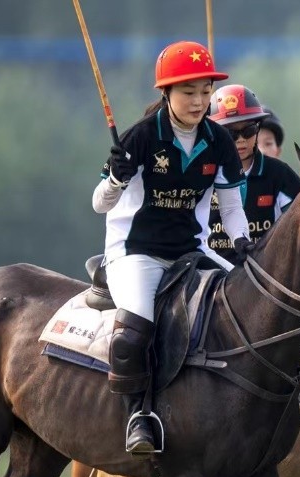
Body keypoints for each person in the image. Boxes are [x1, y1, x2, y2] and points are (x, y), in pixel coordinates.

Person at [92, 40, 248, 454]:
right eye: (188, 92)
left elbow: (231, 208)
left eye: (204, 91)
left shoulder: (218, 141)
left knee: (252, 302)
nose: (199, 102)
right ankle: (138, 415)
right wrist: (116, 180)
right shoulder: (142, 137)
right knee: (135, 331)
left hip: (189, 250)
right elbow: (98, 204)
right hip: (136, 251)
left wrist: (243, 242)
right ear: (167, 93)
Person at [204, 85, 300, 266]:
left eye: (248, 130)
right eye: (230, 133)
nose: (241, 139)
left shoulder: (280, 175)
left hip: (267, 274)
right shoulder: (201, 172)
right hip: (209, 271)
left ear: (257, 129)